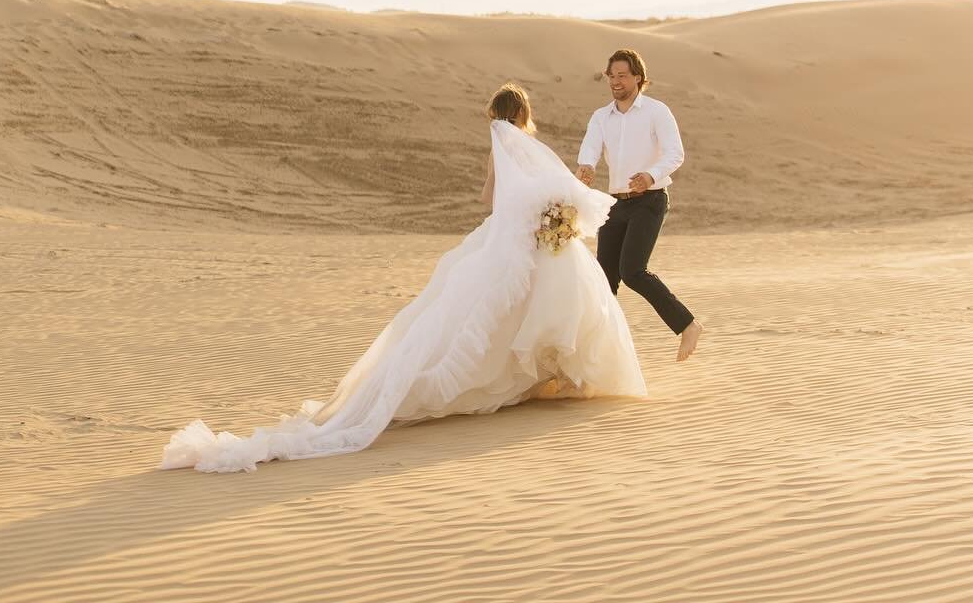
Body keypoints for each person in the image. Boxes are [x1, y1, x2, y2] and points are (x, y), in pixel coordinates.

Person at [160, 84, 645, 473]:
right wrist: (551, 217)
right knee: (544, 307)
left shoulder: (497, 152)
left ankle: (532, 378)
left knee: (466, 316)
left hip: (502, 241)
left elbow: (489, 200)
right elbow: (551, 192)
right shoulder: (530, 148)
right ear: (524, 115)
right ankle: (551, 375)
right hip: (529, 245)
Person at [576, 48, 704, 362]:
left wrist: (651, 175)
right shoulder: (600, 116)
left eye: (623, 75)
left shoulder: (656, 111)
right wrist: (586, 166)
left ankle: (687, 324)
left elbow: (675, 153)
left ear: (638, 78)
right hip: (614, 204)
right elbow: (590, 149)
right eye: (612, 76)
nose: (616, 81)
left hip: (650, 200)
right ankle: (599, 355)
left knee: (632, 271)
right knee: (604, 280)